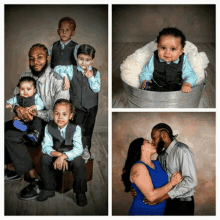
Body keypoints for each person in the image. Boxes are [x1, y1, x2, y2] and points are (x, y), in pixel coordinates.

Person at [5, 43, 69, 200]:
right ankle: (13, 169)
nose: (35, 62)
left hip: (47, 125)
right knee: (5, 127)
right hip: (25, 121)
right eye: (31, 59)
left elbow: (59, 115)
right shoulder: (25, 75)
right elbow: (15, 99)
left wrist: (36, 113)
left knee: (13, 136)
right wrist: (18, 109)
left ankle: (34, 178)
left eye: (39, 57)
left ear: (47, 58)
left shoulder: (57, 80)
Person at [36, 99, 87, 206]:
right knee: (44, 158)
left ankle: (80, 192)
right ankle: (48, 188)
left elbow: (78, 149)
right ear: (52, 114)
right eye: (57, 113)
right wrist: (59, 156)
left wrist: (64, 156)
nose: (60, 117)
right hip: (56, 155)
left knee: (79, 162)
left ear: (71, 115)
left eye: (64, 114)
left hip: (71, 156)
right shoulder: (48, 127)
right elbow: (46, 147)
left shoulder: (76, 128)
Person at [54, 44, 101, 159]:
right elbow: (56, 69)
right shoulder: (71, 69)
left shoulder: (95, 72)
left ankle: (86, 148)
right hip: (77, 107)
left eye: (87, 60)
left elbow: (96, 88)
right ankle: (76, 148)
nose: (83, 63)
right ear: (76, 57)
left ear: (92, 59)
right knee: (77, 128)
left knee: (88, 129)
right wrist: (65, 76)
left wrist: (91, 77)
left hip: (91, 106)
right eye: (81, 59)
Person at [121, 138, 182, 215]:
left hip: (159, 212)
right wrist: (172, 183)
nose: (152, 143)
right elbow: (151, 197)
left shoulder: (157, 163)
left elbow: (170, 181)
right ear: (141, 148)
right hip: (142, 212)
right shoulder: (139, 167)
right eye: (148, 142)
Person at [147, 123, 197, 215]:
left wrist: (163, 198)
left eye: (154, 138)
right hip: (167, 203)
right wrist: (138, 189)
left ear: (164, 135)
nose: (152, 142)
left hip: (182, 205)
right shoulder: (161, 156)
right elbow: (158, 179)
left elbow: (191, 181)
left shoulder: (182, 150)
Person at [140, 27, 198, 93]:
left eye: (173, 49)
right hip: (157, 86)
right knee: (148, 88)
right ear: (157, 47)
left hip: (177, 88)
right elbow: (147, 71)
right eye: (163, 48)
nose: (167, 52)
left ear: (181, 51)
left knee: (183, 90)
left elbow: (189, 74)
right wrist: (145, 80)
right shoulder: (154, 57)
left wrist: (187, 83)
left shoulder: (183, 59)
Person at [6, 76, 45, 143]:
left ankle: (35, 134)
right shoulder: (17, 97)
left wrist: (34, 107)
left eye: (28, 89)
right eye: (22, 89)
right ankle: (22, 127)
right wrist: (9, 103)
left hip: (33, 116)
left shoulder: (36, 96)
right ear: (19, 89)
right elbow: (11, 100)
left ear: (34, 90)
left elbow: (41, 105)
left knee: (37, 121)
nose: (25, 92)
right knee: (16, 119)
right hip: (22, 116)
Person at [49, 17, 79, 90]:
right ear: (58, 31)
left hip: (70, 80)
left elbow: (78, 65)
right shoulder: (54, 46)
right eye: (61, 29)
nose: (64, 32)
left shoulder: (75, 47)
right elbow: (49, 61)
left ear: (73, 32)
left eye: (67, 30)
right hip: (55, 79)